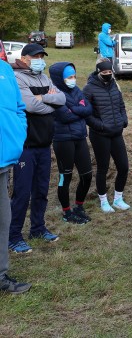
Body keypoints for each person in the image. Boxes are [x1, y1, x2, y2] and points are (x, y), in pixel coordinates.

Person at [9, 44, 65, 254]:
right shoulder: (18, 78)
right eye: (35, 56)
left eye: (42, 56)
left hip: (44, 144)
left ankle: (38, 228)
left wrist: (44, 98)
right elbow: (29, 105)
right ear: (24, 58)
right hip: (25, 146)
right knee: (22, 193)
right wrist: (48, 101)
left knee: (41, 190)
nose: (39, 59)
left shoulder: (44, 77)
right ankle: (14, 236)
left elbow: (62, 98)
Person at [0, 59, 31, 294]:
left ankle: (0, 276)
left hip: (4, 160)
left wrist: (18, 136)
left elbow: (19, 108)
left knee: (3, 220)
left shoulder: (5, 69)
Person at [83, 59, 130, 213]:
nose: (108, 75)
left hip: (117, 132)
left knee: (123, 166)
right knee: (103, 168)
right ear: (98, 72)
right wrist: (100, 126)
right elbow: (86, 114)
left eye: (110, 72)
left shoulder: (115, 85)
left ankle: (118, 198)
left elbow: (121, 105)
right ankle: (103, 200)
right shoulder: (89, 89)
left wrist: (124, 120)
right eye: (104, 73)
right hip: (100, 135)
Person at [49, 62, 93, 224]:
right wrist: (79, 110)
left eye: (74, 76)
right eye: (69, 77)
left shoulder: (76, 90)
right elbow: (64, 116)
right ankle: (67, 212)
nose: (73, 79)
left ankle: (79, 206)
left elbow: (88, 109)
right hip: (63, 140)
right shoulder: (54, 92)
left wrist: (73, 109)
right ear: (60, 78)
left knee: (87, 176)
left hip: (80, 137)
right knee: (65, 177)